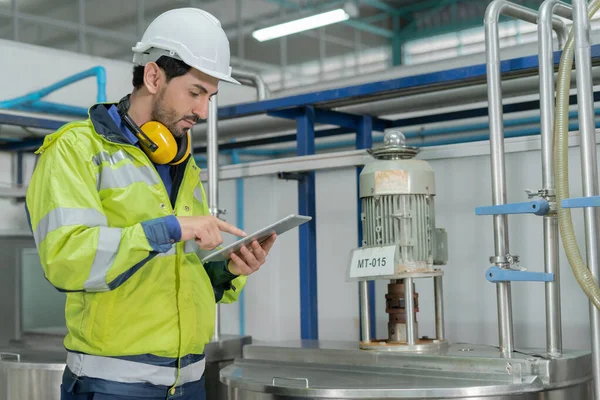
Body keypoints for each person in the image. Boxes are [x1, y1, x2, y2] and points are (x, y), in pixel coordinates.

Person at [24, 7, 276, 400]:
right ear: (153, 76)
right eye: (195, 93)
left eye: (210, 96)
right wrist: (170, 228)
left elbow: (173, 276)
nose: (202, 111)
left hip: (190, 382)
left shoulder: (182, 163)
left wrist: (227, 269)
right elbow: (65, 259)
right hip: (112, 386)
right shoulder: (76, 150)